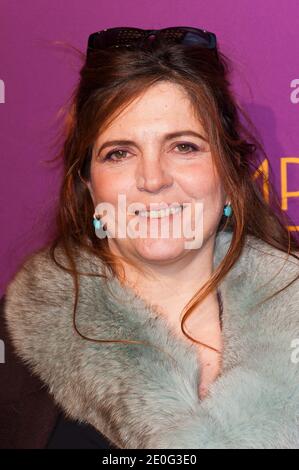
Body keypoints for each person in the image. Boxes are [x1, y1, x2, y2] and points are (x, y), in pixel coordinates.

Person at [2, 27, 299, 449]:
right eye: (119, 153)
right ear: (88, 183)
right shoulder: (13, 354)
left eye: (184, 146)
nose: (153, 179)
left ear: (230, 172)